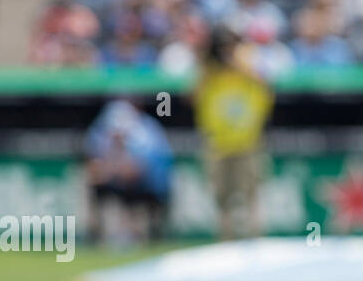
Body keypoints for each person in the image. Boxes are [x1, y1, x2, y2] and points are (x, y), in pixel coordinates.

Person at [193, 25, 275, 242]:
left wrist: (239, 63)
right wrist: (207, 63)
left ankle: (255, 241)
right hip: (217, 145)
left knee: (251, 196)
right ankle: (225, 242)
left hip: (248, 142)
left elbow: (267, 87)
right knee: (222, 199)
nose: (227, 52)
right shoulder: (210, 73)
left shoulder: (248, 65)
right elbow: (193, 96)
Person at [83, 99, 174, 247]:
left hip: (149, 186)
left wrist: (111, 170)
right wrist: (111, 169)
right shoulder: (103, 133)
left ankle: (134, 233)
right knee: (97, 187)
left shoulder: (145, 133)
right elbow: (93, 169)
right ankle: (102, 234)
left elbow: (136, 171)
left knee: (130, 188)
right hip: (119, 183)